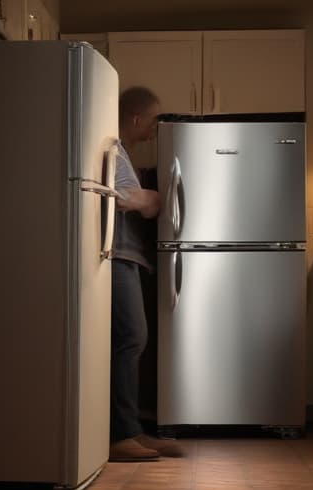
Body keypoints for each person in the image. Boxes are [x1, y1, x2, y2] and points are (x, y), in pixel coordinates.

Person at [109, 86, 183, 462]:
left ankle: (132, 429)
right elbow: (120, 198)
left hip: (127, 256)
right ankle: (120, 435)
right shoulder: (112, 146)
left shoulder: (118, 149)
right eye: (154, 120)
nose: (156, 129)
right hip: (117, 255)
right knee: (130, 338)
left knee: (133, 340)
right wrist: (153, 199)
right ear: (137, 118)